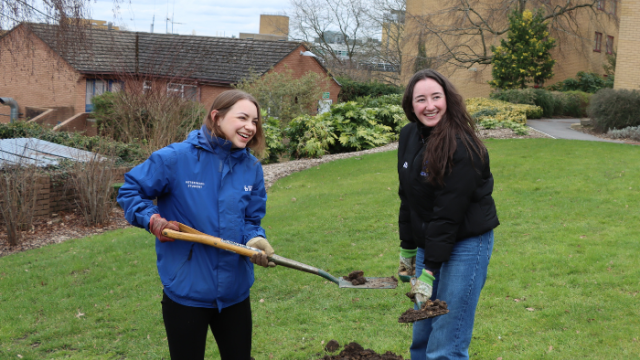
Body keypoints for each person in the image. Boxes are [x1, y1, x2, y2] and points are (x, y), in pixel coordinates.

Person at [117, 89, 275, 360]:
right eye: (243, 118)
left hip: (235, 292)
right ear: (217, 116)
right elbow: (130, 191)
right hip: (186, 291)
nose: (250, 127)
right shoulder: (176, 158)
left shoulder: (251, 168)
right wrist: (151, 219)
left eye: (255, 121)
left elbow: (250, 219)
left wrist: (254, 239)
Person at [396, 69, 499, 360]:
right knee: (423, 332)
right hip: (429, 243)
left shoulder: (463, 146)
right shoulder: (409, 136)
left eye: (436, 97)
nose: (430, 106)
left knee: (447, 342)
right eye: (421, 99)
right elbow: (408, 197)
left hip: (466, 244)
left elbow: (448, 214)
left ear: (448, 99)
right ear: (411, 105)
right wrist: (407, 249)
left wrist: (428, 271)